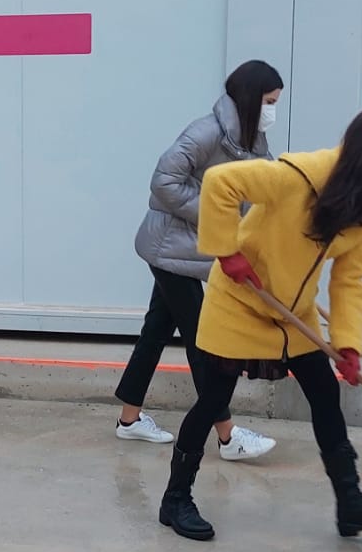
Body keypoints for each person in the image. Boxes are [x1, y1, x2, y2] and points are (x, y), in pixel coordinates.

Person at [156, 107, 362, 542]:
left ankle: (350, 503)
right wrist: (226, 249)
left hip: (293, 313)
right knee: (214, 399)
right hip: (242, 298)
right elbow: (222, 183)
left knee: (324, 394)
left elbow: (349, 280)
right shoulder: (297, 176)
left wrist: (349, 344)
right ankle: (176, 498)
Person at [114, 60, 281, 463]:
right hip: (170, 249)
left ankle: (129, 419)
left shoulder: (250, 138)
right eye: (270, 102)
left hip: (188, 251)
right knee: (204, 340)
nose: (274, 110)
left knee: (156, 331)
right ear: (249, 99)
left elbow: (264, 182)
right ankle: (227, 437)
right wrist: (217, 216)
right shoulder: (205, 132)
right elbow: (163, 183)